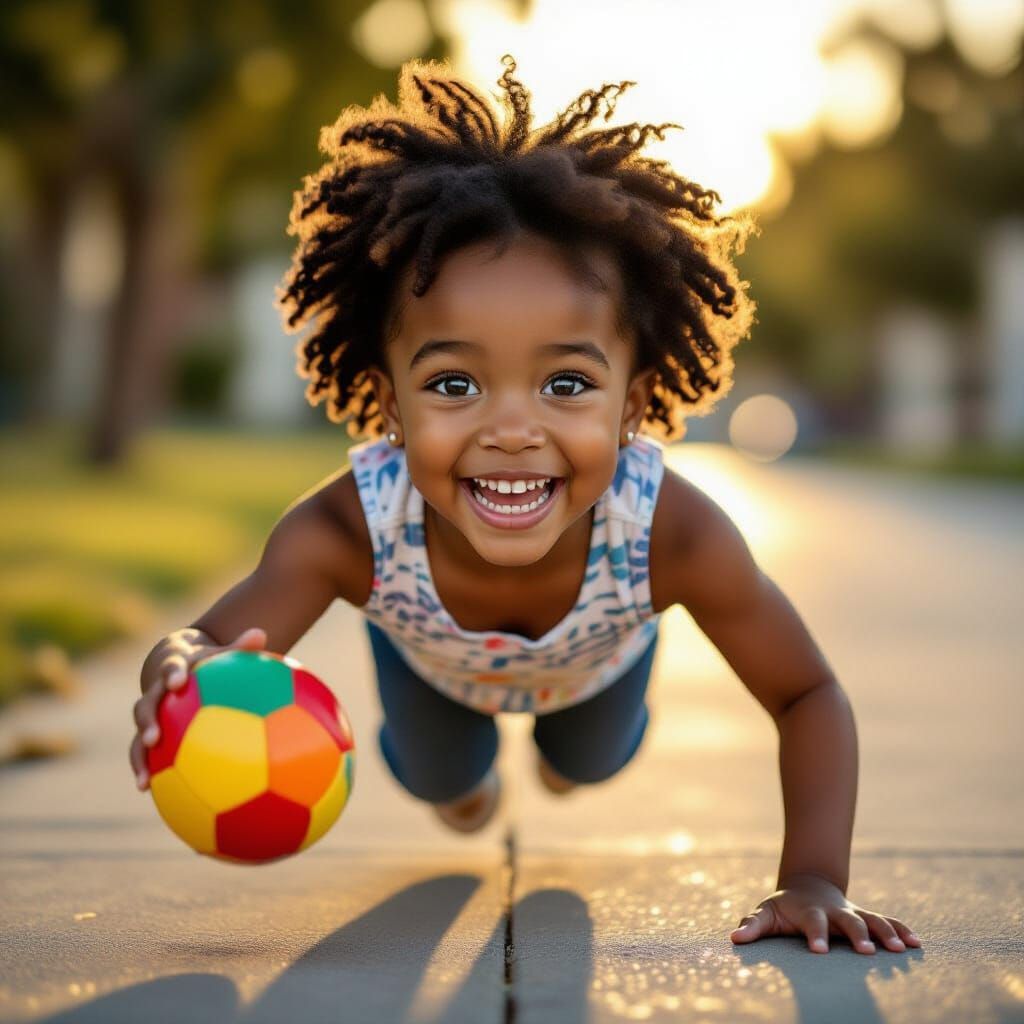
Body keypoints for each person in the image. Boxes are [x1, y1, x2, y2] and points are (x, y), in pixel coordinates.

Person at [129, 54, 920, 957]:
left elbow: (806, 692)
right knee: (443, 782)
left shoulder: (673, 534)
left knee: (589, 759)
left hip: (595, 672)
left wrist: (813, 877)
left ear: (632, 405)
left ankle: (566, 757)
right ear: (390, 405)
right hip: (434, 672)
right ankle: (464, 788)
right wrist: (178, 666)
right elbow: (208, 641)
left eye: (567, 383)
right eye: (454, 383)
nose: (511, 430)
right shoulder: (350, 529)